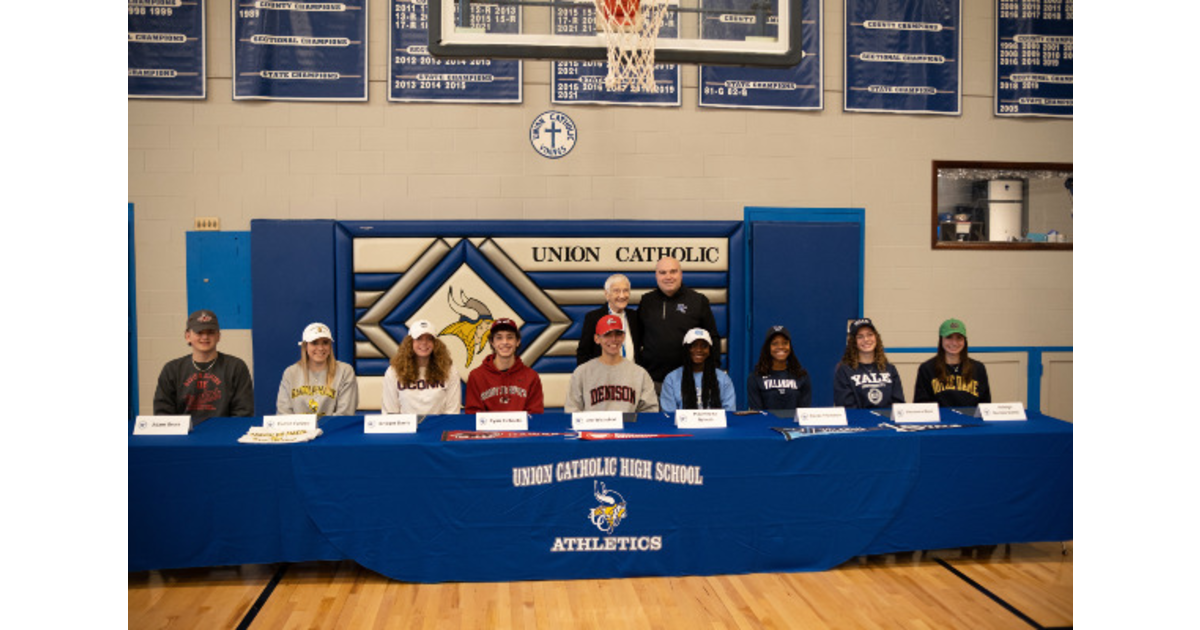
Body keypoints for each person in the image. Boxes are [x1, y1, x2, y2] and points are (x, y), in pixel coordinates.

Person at [637, 256, 720, 392]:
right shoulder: (647, 301)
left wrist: (713, 372)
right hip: (652, 382)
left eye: (673, 271)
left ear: (681, 274)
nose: (668, 277)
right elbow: (637, 338)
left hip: (688, 382)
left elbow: (713, 338)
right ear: (656, 276)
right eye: (663, 272)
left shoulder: (698, 301)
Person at [153, 309, 254, 421]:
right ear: (187, 336)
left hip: (224, 431)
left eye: (210, 332)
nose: (205, 337)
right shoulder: (172, 370)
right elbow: (163, 414)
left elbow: (243, 413)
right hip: (184, 431)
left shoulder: (236, 367)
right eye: (199, 332)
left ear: (218, 336)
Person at [565, 315, 659, 413]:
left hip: (627, 423)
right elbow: (572, 409)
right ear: (597, 339)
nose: (613, 339)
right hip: (594, 423)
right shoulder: (582, 373)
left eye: (618, 334)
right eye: (607, 334)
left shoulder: (640, 374)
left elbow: (650, 411)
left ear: (623, 337)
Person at [275, 322, 359, 417]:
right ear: (305, 346)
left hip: (333, 427)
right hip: (298, 427)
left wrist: (320, 426)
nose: (320, 348)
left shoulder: (345, 371)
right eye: (314, 343)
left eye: (325, 343)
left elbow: (345, 414)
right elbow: (283, 413)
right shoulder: (290, 373)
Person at [381, 320, 462, 415]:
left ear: (435, 343)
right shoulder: (393, 372)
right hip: (406, 425)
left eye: (429, 339)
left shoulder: (449, 371)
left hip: (439, 424)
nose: (424, 343)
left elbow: (452, 412)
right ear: (410, 342)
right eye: (419, 338)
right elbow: (390, 412)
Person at [465, 318, 545, 414]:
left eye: (510, 337)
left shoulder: (531, 376)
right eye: (499, 338)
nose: (505, 342)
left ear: (517, 341)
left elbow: (536, 415)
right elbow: (473, 415)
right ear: (492, 342)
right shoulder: (477, 376)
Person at [912, 318, 992, 407]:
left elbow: (985, 405)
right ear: (941, 340)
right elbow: (921, 406)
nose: (954, 343)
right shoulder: (927, 369)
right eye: (949, 337)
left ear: (964, 341)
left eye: (959, 338)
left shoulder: (978, 368)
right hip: (940, 416)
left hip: (969, 416)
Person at [833, 318, 905, 409]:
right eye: (860, 337)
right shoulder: (845, 371)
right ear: (853, 342)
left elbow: (898, 405)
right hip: (858, 418)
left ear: (876, 337)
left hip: (886, 418)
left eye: (870, 335)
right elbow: (847, 407)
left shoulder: (890, 369)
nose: (866, 339)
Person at [659, 328, 736, 413]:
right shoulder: (671, 379)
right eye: (693, 345)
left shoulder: (723, 379)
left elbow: (729, 413)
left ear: (709, 351)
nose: (699, 350)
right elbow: (669, 415)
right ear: (686, 349)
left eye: (704, 346)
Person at [576, 273, 639, 366]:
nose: (622, 296)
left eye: (625, 290)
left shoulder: (635, 317)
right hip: (603, 374)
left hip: (633, 373)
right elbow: (583, 354)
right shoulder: (594, 318)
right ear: (607, 294)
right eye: (616, 291)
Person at [746, 325, 812, 411]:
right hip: (766, 420)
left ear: (790, 347)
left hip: (793, 420)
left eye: (785, 343)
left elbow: (804, 413)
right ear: (768, 348)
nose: (780, 347)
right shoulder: (755, 377)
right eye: (775, 343)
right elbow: (757, 413)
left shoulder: (802, 376)